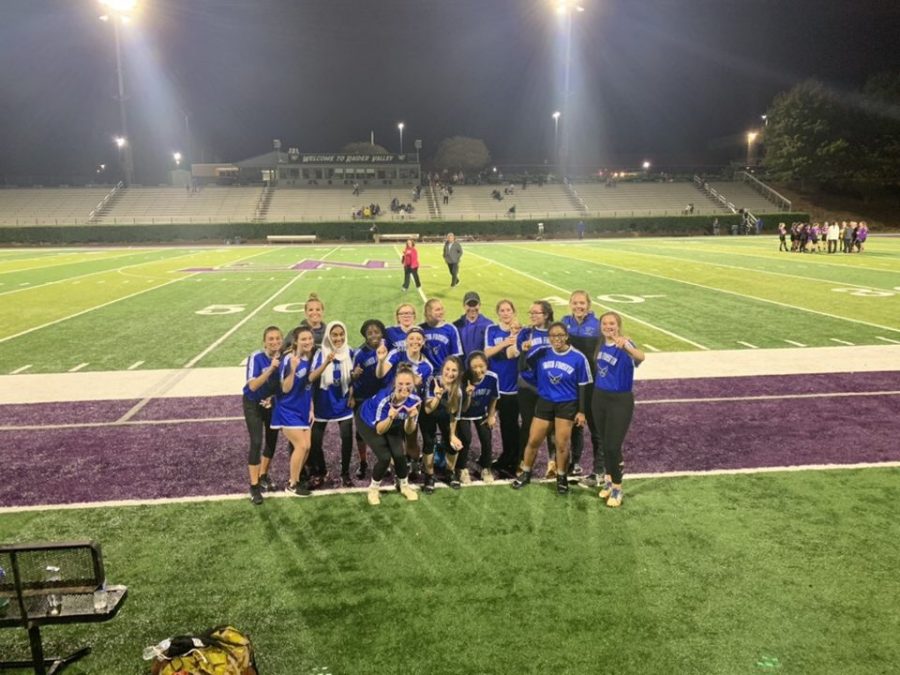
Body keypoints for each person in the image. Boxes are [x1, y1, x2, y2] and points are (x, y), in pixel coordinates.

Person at [511, 322, 593, 495]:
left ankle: (561, 477)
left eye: (560, 335)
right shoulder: (542, 352)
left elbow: (583, 385)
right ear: (549, 337)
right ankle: (526, 473)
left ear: (566, 336)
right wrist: (524, 352)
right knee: (533, 440)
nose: (557, 339)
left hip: (567, 404)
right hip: (545, 401)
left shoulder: (578, 357)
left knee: (562, 444)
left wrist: (582, 411)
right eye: (553, 335)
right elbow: (523, 368)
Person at [591, 311, 645, 507]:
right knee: (605, 444)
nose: (608, 326)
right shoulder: (600, 343)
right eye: (604, 323)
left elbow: (641, 357)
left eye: (612, 323)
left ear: (618, 325)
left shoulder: (625, 343)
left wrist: (628, 348)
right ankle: (608, 480)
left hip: (619, 400)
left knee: (613, 446)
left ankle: (617, 487)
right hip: (599, 398)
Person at [354, 365, 422, 506]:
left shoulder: (415, 400)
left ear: (414, 384)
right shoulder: (384, 399)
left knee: (399, 455)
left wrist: (409, 418)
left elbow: (409, 431)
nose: (404, 387)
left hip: (393, 421)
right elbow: (379, 430)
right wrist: (390, 418)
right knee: (384, 457)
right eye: (400, 384)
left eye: (408, 384)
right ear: (394, 384)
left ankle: (404, 485)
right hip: (368, 421)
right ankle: (373, 489)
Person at [376, 326, 433, 480]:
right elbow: (381, 374)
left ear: (423, 342)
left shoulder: (427, 366)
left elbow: (416, 384)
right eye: (411, 338)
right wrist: (381, 361)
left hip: (410, 406)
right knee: (394, 441)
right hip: (392, 403)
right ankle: (397, 469)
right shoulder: (397, 353)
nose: (415, 341)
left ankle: (414, 464)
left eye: (418, 339)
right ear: (406, 341)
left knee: (411, 439)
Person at [307, 321, 355, 489]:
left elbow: (356, 377)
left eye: (341, 334)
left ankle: (345, 473)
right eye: (334, 335)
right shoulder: (320, 353)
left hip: (343, 403)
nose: (338, 338)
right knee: (315, 441)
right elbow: (311, 377)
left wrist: (353, 391)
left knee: (347, 439)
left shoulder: (350, 352)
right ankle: (321, 472)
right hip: (323, 403)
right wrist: (326, 362)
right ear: (328, 335)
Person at [561, 290, 603, 484]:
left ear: (589, 305)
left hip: (592, 382)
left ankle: (599, 470)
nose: (579, 306)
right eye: (575, 303)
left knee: (595, 426)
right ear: (570, 304)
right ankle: (574, 463)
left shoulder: (597, 325)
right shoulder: (565, 322)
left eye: (582, 303)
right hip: (571, 381)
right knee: (573, 424)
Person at [272, 326, 316, 496]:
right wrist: (293, 369)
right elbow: (285, 388)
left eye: (310, 338)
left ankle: (295, 480)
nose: (308, 342)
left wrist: (311, 408)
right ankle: (292, 484)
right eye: (304, 339)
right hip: (287, 409)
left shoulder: (309, 357)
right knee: (301, 445)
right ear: (296, 341)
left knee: (307, 447)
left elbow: (308, 386)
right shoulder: (289, 359)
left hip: (303, 409)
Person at [242, 326, 283, 505]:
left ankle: (264, 474)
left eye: (277, 338)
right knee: (257, 441)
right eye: (270, 339)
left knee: (272, 441)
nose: (274, 342)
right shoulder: (256, 357)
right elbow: (252, 386)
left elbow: (284, 386)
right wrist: (270, 369)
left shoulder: (285, 358)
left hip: (271, 403)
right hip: (253, 403)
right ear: (264, 341)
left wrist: (272, 399)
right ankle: (254, 486)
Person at [514, 300, 555, 477]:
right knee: (528, 425)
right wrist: (523, 350)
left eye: (536, 313)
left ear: (546, 314)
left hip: (552, 386)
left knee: (551, 426)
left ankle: (553, 463)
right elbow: (521, 365)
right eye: (530, 313)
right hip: (529, 386)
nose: (532, 316)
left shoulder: (557, 331)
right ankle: (524, 462)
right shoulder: (525, 333)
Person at [484, 299, 521, 478]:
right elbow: (487, 352)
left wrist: (514, 337)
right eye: (502, 310)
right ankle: (487, 458)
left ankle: (512, 459)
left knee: (509, 426)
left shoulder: (521, 332)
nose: (506, 313)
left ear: (514, 312)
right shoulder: (491, 330)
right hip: (493, 386)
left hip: (511, 388)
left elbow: (514, 353)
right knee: (486, 423)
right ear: (498, 313)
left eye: (508, 310)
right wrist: (506, 341)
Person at [350, 319, 388, 481]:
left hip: (382, 398)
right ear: (365, 336)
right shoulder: (360, 353)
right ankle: (363, 462)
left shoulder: (388, 349)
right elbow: (351, 376)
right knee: (361, 433)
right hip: (363, 398)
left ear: (382, 333)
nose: (374, 335)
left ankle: (384, 460)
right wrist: (354, 375)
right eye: (370, 333)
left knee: (383, 430)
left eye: (376, 332)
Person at [421, 355, 465, 491]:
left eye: (454, 370)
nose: (450, 373)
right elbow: (428, 410)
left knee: (453, 445)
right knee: (429, 443)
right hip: (428, 414)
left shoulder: (458, 391)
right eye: (448, 369)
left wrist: (452, 435)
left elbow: (454, 417)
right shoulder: (432, 381)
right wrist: (437, 397)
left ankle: (449, 472)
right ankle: (429, 475)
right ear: (442, 369)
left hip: (444, 416)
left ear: (459, 373)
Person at [458, 351, 499, 483]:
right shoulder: (463, 380)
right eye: (474, 367)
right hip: (463, 415)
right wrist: (469, 395)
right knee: (466, 439)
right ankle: (461, 468)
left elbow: (494, 397)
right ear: (469, 367)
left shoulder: (492, 377)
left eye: (481, 366)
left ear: (487, 365)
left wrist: (491, 415)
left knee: (486, 437)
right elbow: (463, 408)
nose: (478, 370)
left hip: (481, 413)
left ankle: (485, 467)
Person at [420, 298, 463, 371]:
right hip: (425, 373)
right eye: (437, 310)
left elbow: (456, 355)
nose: (441, 312)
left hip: (444, 374)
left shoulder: (451, 329)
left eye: (442, 309)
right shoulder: (420, 329)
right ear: (429, 312)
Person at [453, 291, 494, 358]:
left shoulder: (488, 325)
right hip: (462, 366)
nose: (472, 308)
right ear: (464, 306)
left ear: (479, 305)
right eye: (469, 305)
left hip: (481, 366)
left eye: (474, 304)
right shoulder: (456, 325)